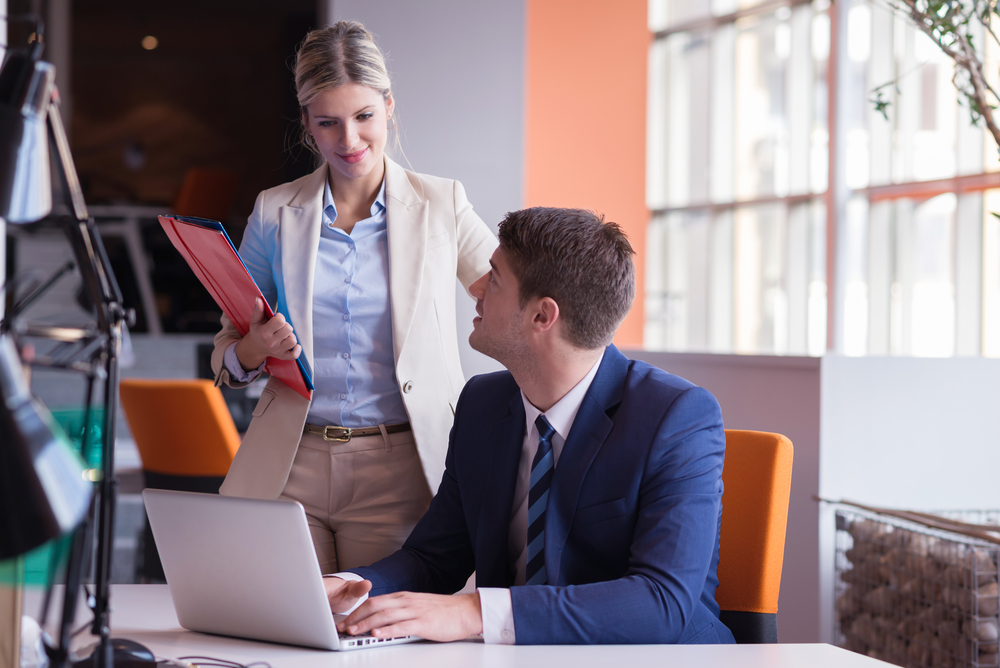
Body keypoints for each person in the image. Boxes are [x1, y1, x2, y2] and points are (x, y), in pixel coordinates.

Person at [321, 207, 736, 645]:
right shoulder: (482, 403)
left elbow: (660, 602)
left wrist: (476, 611)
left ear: (542, 316)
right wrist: (346, 587)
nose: (477, 290)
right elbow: (434, 557)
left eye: (494, 278)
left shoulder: (676, 417)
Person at [210, 21, 497, 573]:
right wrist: (252, 351)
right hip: (290, 463)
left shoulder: (442, 203)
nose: (349, 140)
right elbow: (226, 351)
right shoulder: (274, 211)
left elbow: (507, 296)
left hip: (399, 466)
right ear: (307, 126)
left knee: (379, 640)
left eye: (364, 117)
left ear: (389, 107)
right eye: (329, 123)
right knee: (287, 634)